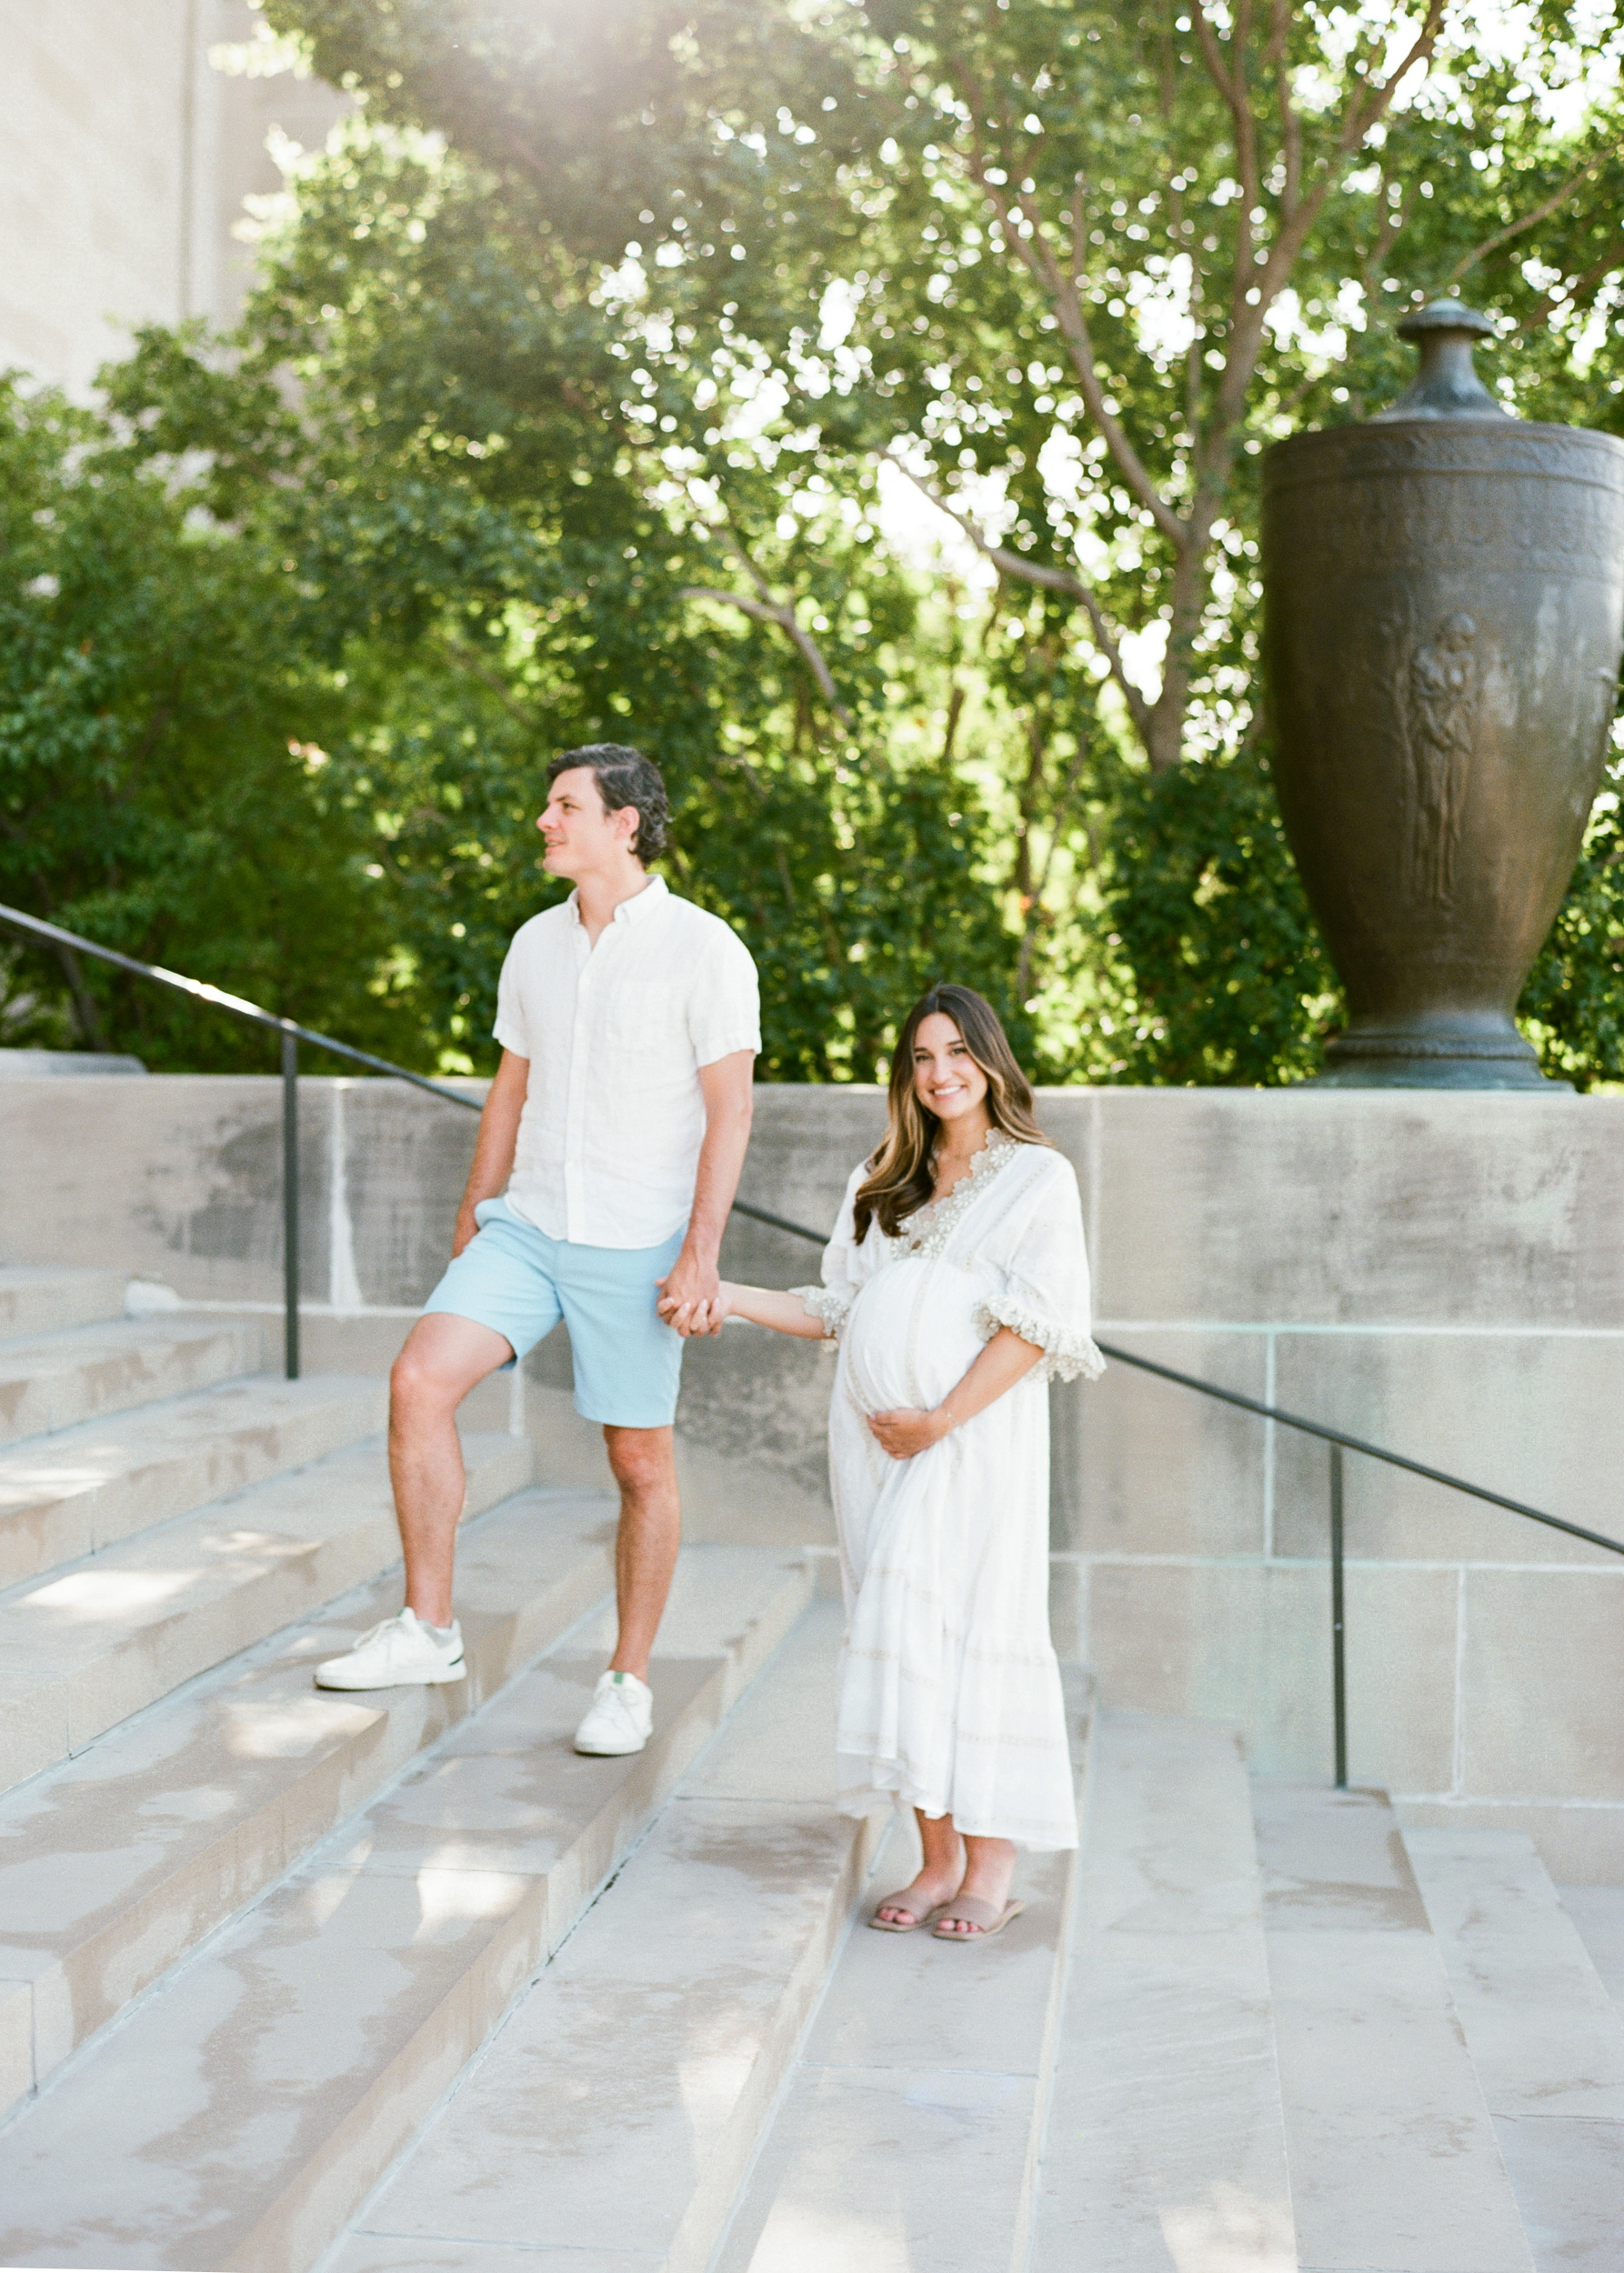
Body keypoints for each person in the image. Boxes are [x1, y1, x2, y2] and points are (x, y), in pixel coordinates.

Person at [315, 744, 759, 1758]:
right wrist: (478, 1208)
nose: (544, 822)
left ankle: (628, 1680)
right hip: (528, 1226)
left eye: (564, 806)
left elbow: (729, 1112)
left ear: (625, 823)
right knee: (419, 1380)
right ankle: (427, 1627)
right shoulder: (534, 945)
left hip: (638, 1241)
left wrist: (700, 1254)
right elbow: (510, 1087)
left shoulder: (705, 950)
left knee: (638, 1461)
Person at [664, 985, 1101, 1942]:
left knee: (968, 1622)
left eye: (956, 1052)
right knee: (899, 1633)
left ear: (991, 1059)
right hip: (871, 1451)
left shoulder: (1036, 1178)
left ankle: (991, 1869)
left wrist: (939, 1418)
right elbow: (835, 1307)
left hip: (968, 1443)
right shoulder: (882, 1176)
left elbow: (1041, 1327)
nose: (940, 1073)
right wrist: (723, 1291)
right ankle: (934, 1855)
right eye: (920, 1056)